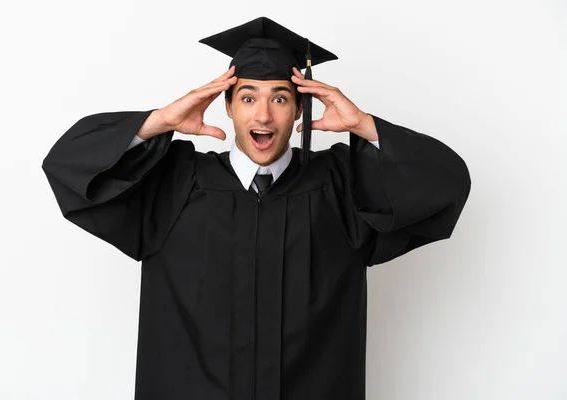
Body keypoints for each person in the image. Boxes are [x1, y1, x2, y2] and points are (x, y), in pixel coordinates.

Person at [42, 16, 470, 400]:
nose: (263, 115)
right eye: (248, 98)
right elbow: (67, 167)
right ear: (226, 106)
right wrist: (159, 122)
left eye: (280, 98)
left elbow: (446, 185)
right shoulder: (173, 182)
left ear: (300, 107)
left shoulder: (341, 184)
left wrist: (364, 125)